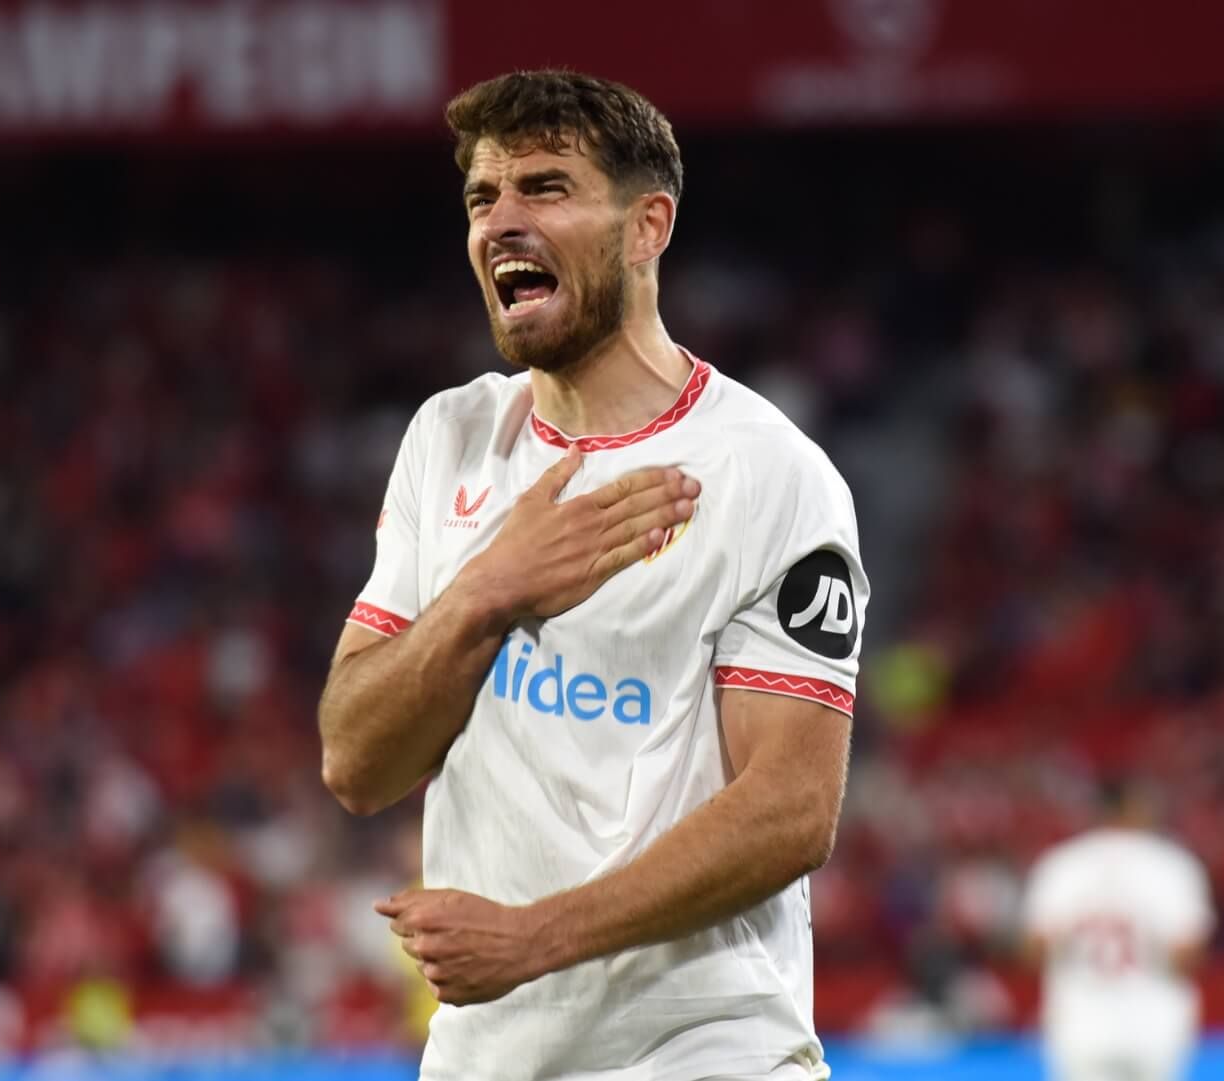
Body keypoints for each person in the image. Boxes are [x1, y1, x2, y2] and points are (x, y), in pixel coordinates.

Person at [317, 70, 868, 1081]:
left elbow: (792, 810)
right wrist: (488, 592)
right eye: (483, 198)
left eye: (545, 187)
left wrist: (536, 937)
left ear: (647, 226)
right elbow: (357, 763)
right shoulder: (450, 437)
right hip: (485, 1057)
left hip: (707, 1051)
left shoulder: (770, 474)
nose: (502, 222)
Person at [1021, 778, 1215, 1081]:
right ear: (1135, 809)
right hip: (1155, 1020)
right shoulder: (1172, 865)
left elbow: (1034, 952)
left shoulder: (1062, 864)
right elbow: (1187, 957)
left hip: (1080, 1021)